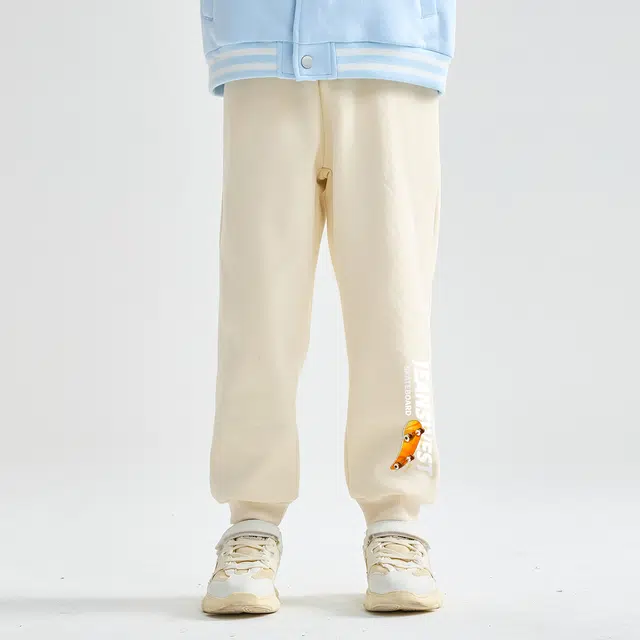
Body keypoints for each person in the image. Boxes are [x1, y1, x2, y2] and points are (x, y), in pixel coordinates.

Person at [198, 0, 456, 615]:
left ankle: (398, 515)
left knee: (396, 311)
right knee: (258, 309)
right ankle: (250, 519)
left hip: (390, 42)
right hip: (260, 44)